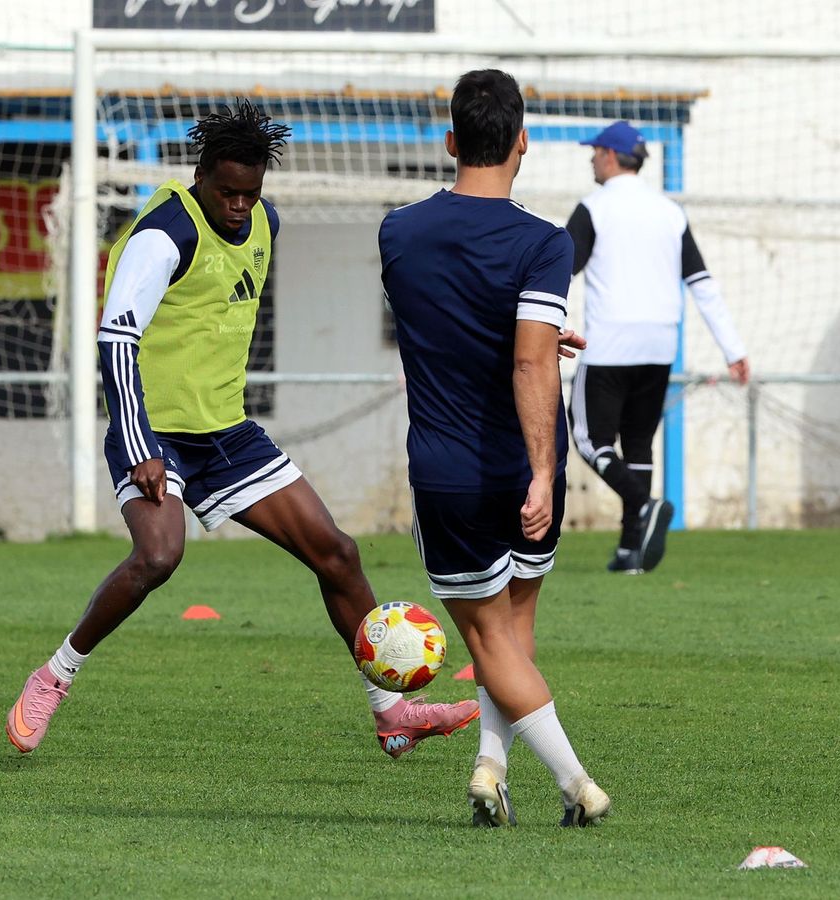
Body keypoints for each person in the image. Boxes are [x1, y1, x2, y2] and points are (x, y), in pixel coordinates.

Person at [6, 100, 479, 758]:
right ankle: (54, 676)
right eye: (226, 191)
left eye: (249, 193)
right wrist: (139, 446)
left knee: (337, 553)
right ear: (200, 175)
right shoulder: (164, 234)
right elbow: (116, 338)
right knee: (158, 557)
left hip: (225, 433)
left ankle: (393, 713)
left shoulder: (265, 222)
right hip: (154, 434)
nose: (237, 206)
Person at [379, 69, 610, 827]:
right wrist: (544, 471)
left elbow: (454, 326)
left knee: (487, 636)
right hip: (525, 464)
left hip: (446, 471)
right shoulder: (544, 244)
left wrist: (533, 343)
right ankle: (492, 768)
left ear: (450, 142)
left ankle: (576, 784)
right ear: (522, 143)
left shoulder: (398, 232)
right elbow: (526, 358)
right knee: (512, 632)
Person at [565, 120, 749, 575]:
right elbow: (701, 283)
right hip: (660, 343)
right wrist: (733, 347)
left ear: (610, 155)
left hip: (609, 343)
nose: (591, 158)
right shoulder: (670, 211)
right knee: (639, 444)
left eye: (594, 152)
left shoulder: (593, 207)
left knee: (590, 439)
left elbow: (559, 270)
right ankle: (631, 552)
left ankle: (641, 505)